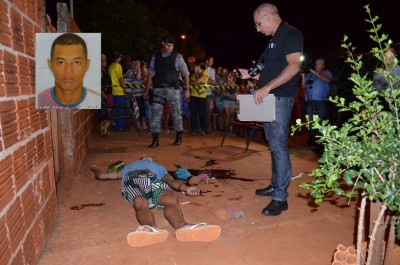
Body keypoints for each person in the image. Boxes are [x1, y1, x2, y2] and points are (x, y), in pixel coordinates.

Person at [237, 3, 304, 216]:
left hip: (280, 98)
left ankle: (280, 198)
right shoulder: (273, 41)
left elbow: (294, 66)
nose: (257, 29)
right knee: (273, 144)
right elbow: (269, 72)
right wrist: (251, 76)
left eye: (258, 24)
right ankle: (276, 185)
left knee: (278, 145)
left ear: (267, 17)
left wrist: (267, 87)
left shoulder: (291, 34)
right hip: (269, 97)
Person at [89, 156, 221, 247]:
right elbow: (101, 176)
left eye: (147, 156)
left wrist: (186, 188)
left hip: (153, 182)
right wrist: (95, 169)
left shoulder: (158, 168)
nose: (145, 157)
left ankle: (182, 226)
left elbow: (171, 181)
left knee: (170, 196)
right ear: (139, 160)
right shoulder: (127, 168)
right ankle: (151, 229)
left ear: (151, 160)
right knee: (140, 201)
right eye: (143, 156)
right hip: (133, 182)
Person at [144, 35, 190, 148]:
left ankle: (179, 136)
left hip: (173, 88)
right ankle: (155, 140)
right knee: (155, 114)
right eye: (168, 45)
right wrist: (146, 90)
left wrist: (187, 90)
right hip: (158, 88)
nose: (170, 48)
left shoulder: (177, 56)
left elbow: (186, 73)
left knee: (176, 113)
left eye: (172, 46)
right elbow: (151, 74)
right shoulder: (155, 56)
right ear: (162, 43)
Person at [37, 33, 101, 109]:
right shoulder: (39, 102)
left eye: (77, 62)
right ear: (50, 65)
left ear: (87, 65)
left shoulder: (96, 101)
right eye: (61, 62)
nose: (68, 71)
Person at [304, 58, 333, 143]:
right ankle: (312, 137)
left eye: (319, 64)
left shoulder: (326, 73)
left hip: (321, 100)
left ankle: (324, 136)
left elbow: (328, 80)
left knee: (321, 118)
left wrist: (316, 74)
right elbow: (303, 86)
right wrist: (302, 76)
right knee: (310, 118)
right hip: (310, 100)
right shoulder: (309, 75)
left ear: (323, 65)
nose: (317, 65)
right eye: (316, 64)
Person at [108, 52, 126, 131]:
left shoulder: (110, 66)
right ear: (117, 58)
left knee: (116, 109)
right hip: (119, 90)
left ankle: (116, 126)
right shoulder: (118, 66)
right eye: (120, 57)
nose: (120, 59)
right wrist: (124, 91)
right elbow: (120, 79)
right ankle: (119, 127)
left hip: (113, 90)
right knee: (120, 110)